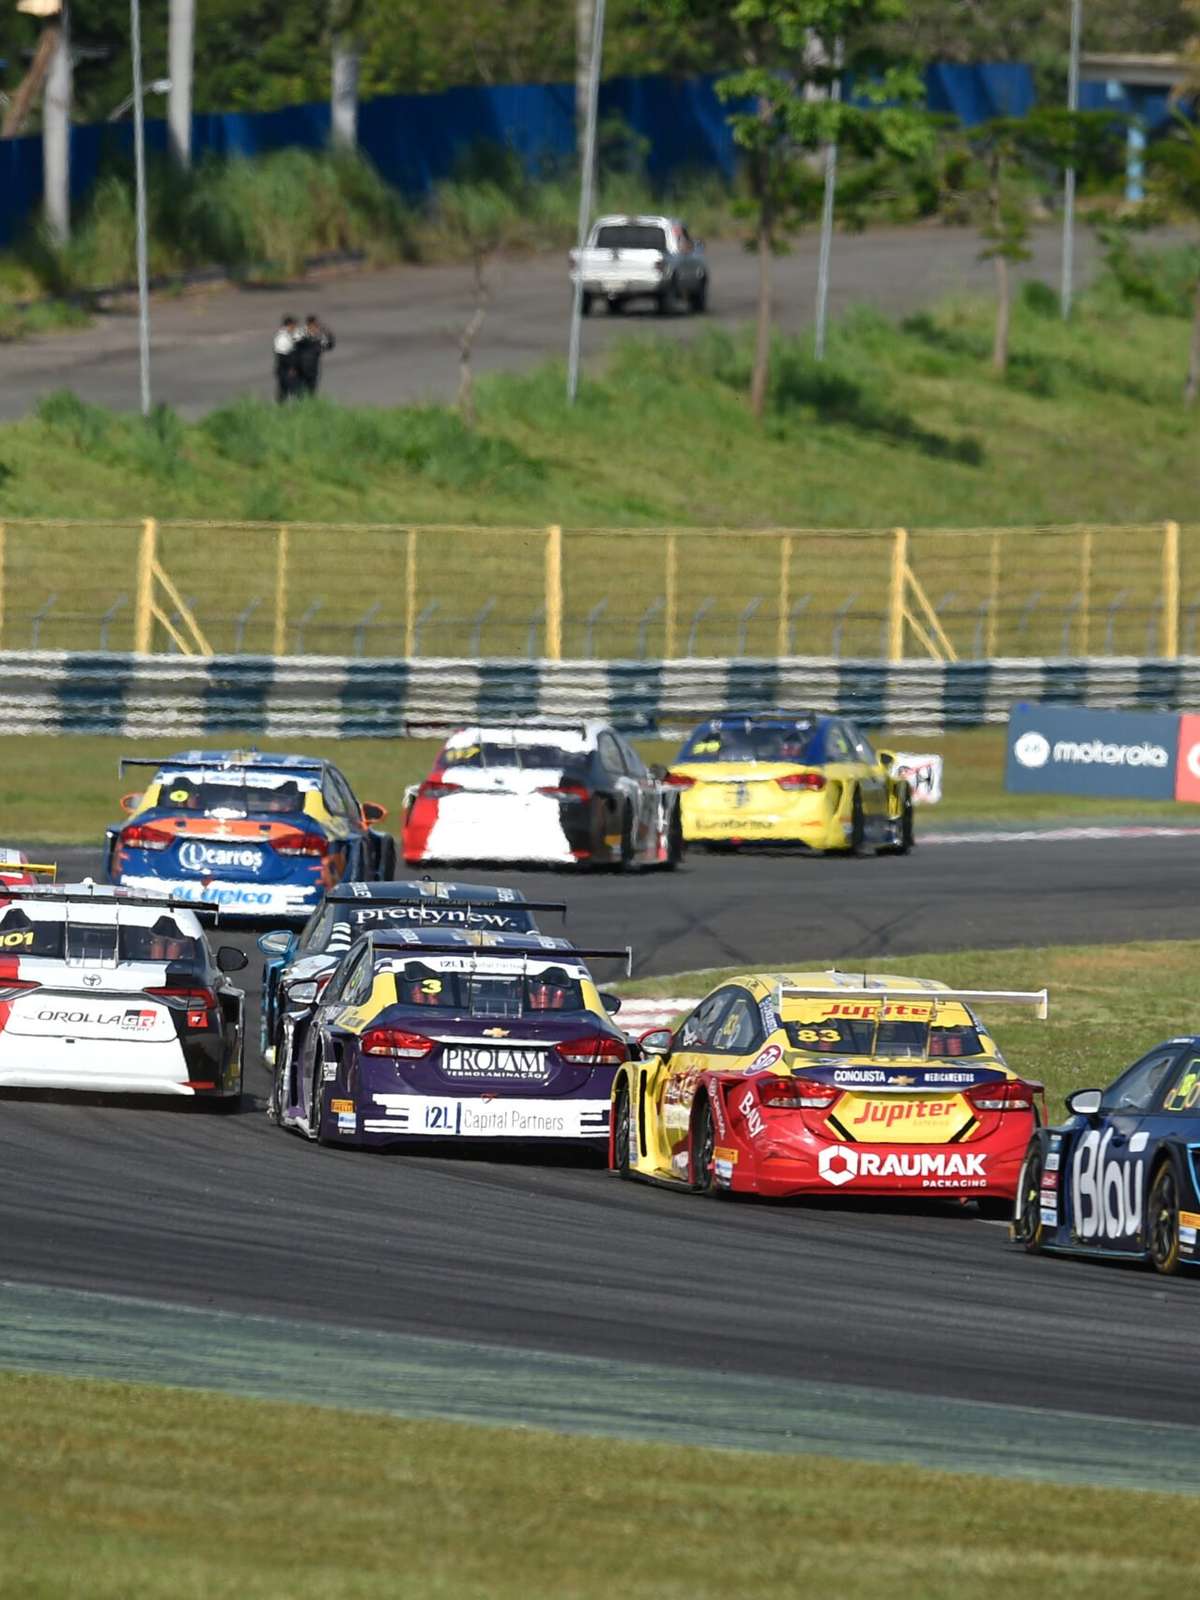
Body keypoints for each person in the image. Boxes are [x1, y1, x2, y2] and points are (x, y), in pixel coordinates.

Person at [294, 314, 335, 397]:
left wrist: (329, 335)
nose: (316, 328)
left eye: (316, 326)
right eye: (314, 326)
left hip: (313, 370)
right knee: (300, 393)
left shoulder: (318, 338)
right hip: (301, 370)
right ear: (309, 325)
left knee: (311, 392)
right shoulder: (300, 335)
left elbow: (329, 346)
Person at [273, 315, 300, 404]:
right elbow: (282, 356)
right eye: (294, 325)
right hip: (285, 370)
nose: (295, 327)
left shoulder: (288, 335)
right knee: (292, 391)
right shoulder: (282, 338)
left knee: (285, 391)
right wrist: (291, 368)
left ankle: (281, 408)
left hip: (287, 369)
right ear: (289, 325)